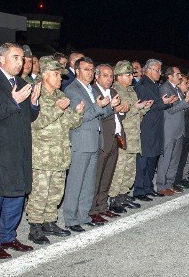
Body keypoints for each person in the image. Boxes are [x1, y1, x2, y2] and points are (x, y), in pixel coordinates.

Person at [0, 42, 41, 259]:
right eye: (16, 57)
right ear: (2, 59)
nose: (20, 62)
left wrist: (33, 103)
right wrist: (14, 100)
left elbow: (28, 117)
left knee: (16, 195)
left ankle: (8, 236)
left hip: (19, 149)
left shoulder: (21, 82)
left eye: (22, 58)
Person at [26, 56, 84, 244]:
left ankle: (49, 221)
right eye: (56, 74)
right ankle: (34, 226)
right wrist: (57, 110)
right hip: (42, 153)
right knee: (40, 192)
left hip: (60, 153)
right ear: (44, 75)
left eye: (60, 75)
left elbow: (70, 124)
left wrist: (78, 113)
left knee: (55, 191)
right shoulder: (35, 93)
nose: (60, 78)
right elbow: (34, 123)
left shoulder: (60, 96)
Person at [63, 56, 117, 232]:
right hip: (81, 141)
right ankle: (71, 218)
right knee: (76, 182)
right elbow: (82, 116)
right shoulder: (73, 90)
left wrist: (111, 106)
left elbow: (100, 112)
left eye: (92, 70)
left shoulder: (91, 90)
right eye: (86, 69)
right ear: (77, 71)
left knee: (88, 183)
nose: (90, 73)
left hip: (94, 141)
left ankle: (84, 215)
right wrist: (99, 106)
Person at [109, 61, 152, 209]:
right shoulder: (115, 91)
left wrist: (144, 108)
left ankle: (123, 194)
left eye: (131, 74)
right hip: (123, 136)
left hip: (133, 135)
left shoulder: (131, 91)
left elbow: (135, 112)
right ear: (119, 76)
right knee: (119, 168)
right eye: (127, 75)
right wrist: (135, 107)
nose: (131, 77)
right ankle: (113, 198)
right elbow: (121, 114)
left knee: (130, 168)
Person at [133, 59, 177, 200]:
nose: (160, 73)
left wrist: (167, 103)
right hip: (146, 127)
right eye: (157, 70)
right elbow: (145, 105)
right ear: (149, 70)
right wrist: (161, 102)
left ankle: (148, 187)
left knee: (153, 158)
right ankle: (139, 190)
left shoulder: (154, 84)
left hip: (156, 126)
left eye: (160, 70)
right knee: (144, 159)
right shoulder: (142, 85)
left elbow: (157, 104)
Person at [90, 64, 127, 217]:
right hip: (102, 138)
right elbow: (96, 115)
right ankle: (92, 209)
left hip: (115, 137)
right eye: (105, 75)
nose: (109, 79)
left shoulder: (113, 91)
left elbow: (117, 116)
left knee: (108, 175)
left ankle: (103, 206)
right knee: (97, 176)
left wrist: (121, 111)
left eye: (111, 76)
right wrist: (111, 108)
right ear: (96, 76)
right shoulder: (93, 92)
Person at [156, 67, 189, 194]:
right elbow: (170, 109)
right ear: (169, 76)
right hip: (169, 129)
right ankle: (161, 186)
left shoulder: (176, 89)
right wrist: (187, 100)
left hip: (179, 128)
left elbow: (183, 106)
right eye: (178, 74)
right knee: (166, 158)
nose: (180, 76)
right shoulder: (165, 88)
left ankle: (169, 183)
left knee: (174, 159)